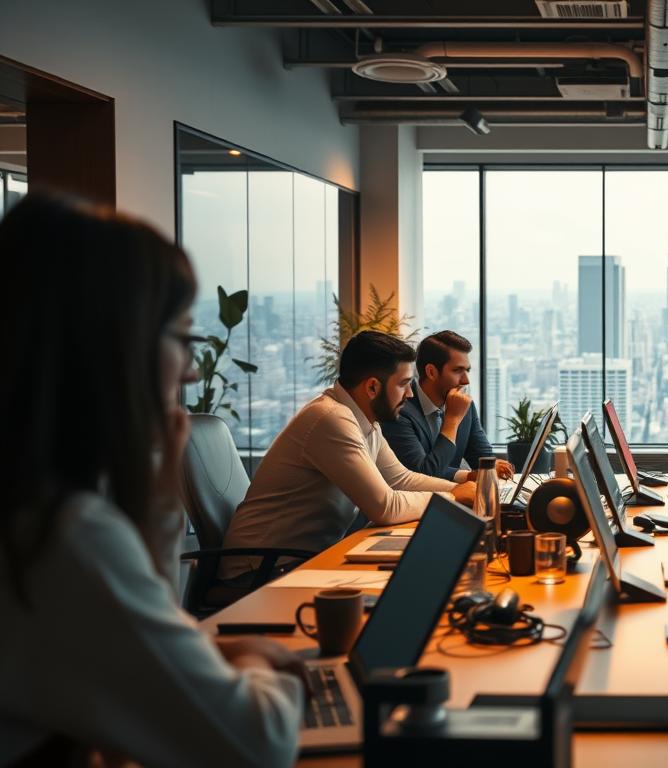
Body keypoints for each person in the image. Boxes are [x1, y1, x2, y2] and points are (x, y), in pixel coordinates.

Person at [0, 196, 303, 766]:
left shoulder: (37, 508)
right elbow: (255, 746)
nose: (192, 369)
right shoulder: (61, 535)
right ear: (117, 342)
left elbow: (132, 663)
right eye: (182, 339)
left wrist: (159, 512)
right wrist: (259, 662)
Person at [220, 330, 476, 580]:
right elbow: (385, 507)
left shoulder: (364, 420)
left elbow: (401, 479)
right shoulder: (331, 419)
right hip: (260, 569)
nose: (410, 394)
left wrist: (463, 489)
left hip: (301, 559)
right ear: (373, 387)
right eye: (403, 384)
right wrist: (452, 496)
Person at [381, 330, 514, 483]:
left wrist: (494, 465)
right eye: (457, 370)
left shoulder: (464, 405)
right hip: (421, 502)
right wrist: (452, 419)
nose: (466, 380)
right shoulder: (399, 409)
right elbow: (423, 474)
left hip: (454, 497)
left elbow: (485, 459)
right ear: (431, 372)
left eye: (467, 370)